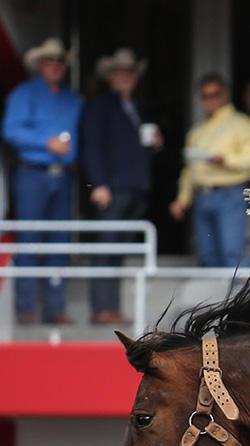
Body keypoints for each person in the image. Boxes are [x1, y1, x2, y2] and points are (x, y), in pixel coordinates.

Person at [2, 37, 82, 324]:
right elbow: (10, 130)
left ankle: (55, 308)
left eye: (59, 60)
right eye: (49, 60)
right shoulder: (24, 93)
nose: (55, 65)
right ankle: (25, 308)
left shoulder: (73, 98)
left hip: (63, 178)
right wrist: (46, 142)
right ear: (39, 64)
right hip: (32, 174)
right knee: (29, 239)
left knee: (60, 242)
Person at [81, 47, 158, 325]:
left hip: (135, 187)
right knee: (106, 247)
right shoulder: (100, 106)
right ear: (110, 75)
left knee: (119, 249)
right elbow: (92, 148)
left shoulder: (137, 107)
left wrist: (154, 145)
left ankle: (112, 308)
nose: (125, 76)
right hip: (112, 188)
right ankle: (101, 308)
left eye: (130, 72)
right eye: (120, 71)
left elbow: (136, 149)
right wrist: (99, 184)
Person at [169, 73, 250, 268]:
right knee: (207, 256)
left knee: (231, 254)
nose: (210, 100)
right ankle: (215, 299)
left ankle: (235, 299)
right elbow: (191, 170)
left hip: (230, 193)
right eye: (205, 96)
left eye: (215, 94)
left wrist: (225, 160)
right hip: (203, 196)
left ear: (225, 95)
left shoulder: (241, 123)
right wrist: (182, 199)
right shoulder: (197, 130)